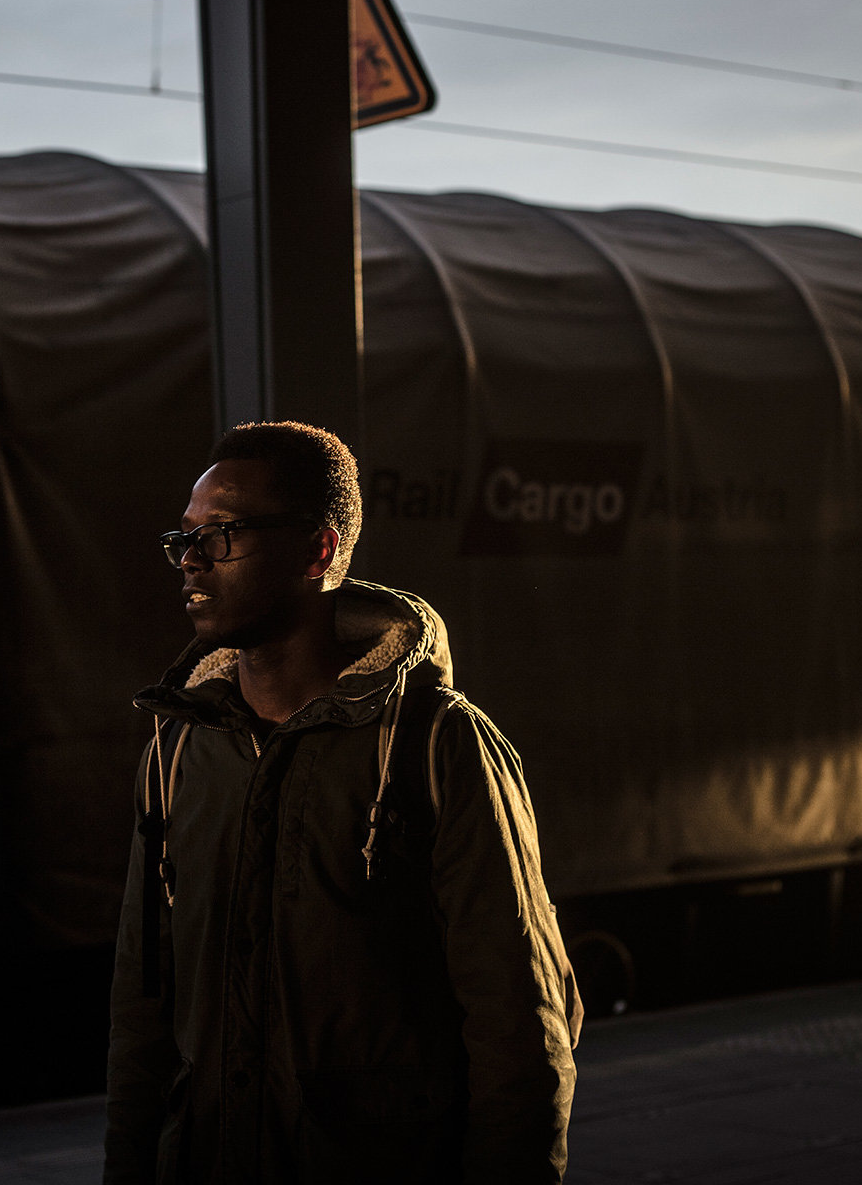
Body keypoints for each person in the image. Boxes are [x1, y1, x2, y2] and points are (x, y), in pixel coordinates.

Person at [104, 421, 579, 1185]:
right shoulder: (180, 747)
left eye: (222, 534)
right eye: (184, 537)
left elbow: (519, 1030)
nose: (191, 561)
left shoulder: (434, 743)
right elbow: (141, 1017)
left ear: (318, 552)